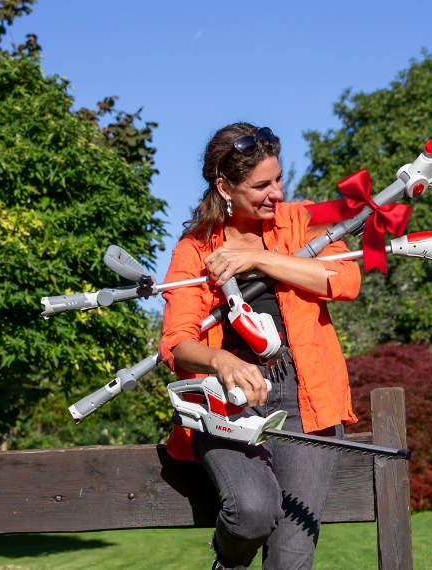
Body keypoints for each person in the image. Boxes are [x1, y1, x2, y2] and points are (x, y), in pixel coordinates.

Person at [159, 123, 361, 570]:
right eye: (261, 185)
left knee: (291, 557)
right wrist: (219, 360)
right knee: (251, 511)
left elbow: (345, 280)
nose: (277, 192)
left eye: (279, 178)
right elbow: (175, 343)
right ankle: (227, 564)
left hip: (308, 397)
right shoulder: (195, 248)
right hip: (227, 400)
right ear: (224, 187)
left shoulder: (303, 219)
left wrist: (259, 258)